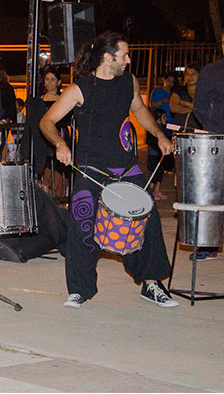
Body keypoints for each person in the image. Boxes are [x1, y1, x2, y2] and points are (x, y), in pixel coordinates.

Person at [40, 31, 179, 309]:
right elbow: (47, 121)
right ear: (107, 57)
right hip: (92, 168)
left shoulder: (128, 82)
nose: (128, 60)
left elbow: (139, 111)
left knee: (146, 220)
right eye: (124, 55)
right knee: (82, 226)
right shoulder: (80, 89)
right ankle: (80, 290)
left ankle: (151, 284)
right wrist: (59, 144)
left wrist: (159, 135)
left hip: (126, 167)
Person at [191, 32, 224, 261]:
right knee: (214, 194)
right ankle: (209, 245)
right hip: (218, 140)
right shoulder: (211, 72)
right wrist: (213, 128)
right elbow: (199, 108)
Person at [146, 109, 175, 201]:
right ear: (159, 117)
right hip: (154, 154)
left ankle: (156, 192)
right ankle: (148, 193)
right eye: (164, 117)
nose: (165, 119)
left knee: (160, 173)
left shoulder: (164, 127)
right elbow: (150, 141)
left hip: (160, 153)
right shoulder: (154, 128)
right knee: (154, 174)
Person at [170, 63, 202, 130]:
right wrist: (193, 109)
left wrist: (184, 103)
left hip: (199, 133)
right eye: (187, 74)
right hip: (179, 131)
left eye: (193, 74)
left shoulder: (203, 93)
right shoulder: (179, 91)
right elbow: (173, 108)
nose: (190, 77)